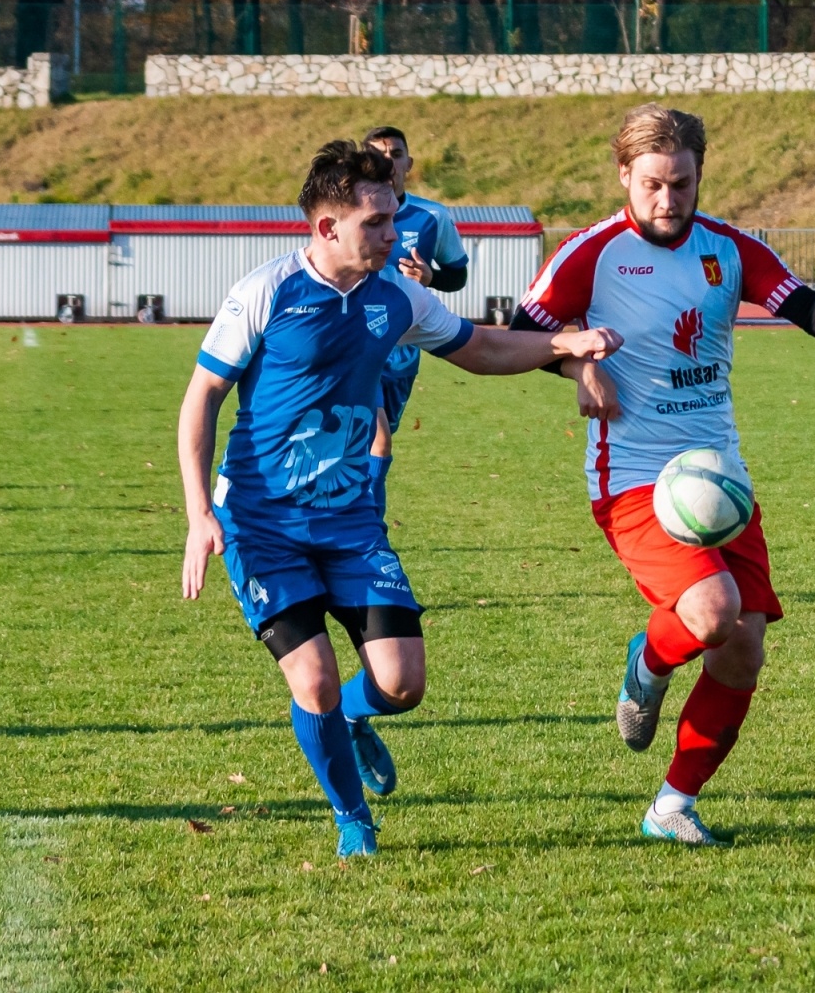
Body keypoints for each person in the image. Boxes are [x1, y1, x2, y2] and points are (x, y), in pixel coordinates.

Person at [177, 140, 621, 857]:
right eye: (376, 222)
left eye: (393, 218)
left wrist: (566, 346)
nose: (393, 234)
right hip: (262, 523)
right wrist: (200, 513)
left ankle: (353, 722)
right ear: (327, 228)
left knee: (402, 682)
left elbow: (479, 347)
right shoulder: (266, 292)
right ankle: (352, 817)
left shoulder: (398, 294)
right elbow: (202, 399)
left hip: (352, 521)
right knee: (315, 678)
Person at [510, 104, 815, 847]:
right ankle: (647, 664)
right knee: (710, 611)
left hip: (717, 476)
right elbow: (519, 336)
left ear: (700, 174)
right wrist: (578, 362)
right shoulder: (592, 254)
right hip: (633, 476)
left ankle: (672, 805)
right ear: (624, 176)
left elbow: (792, 296)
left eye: (681, 183)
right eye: (652, 185)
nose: (668, 200)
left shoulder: (727, 249)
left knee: (742, 649)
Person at [363, 125, 470, 520]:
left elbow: (457, 275)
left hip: (404, 350)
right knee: (376, 440)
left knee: (373, 442)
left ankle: (355, 521)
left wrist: (430, 279)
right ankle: (368, 530)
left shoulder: (431, 217)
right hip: (358, 343)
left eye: (395, 153)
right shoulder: (351, 213)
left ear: (409, 162)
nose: (387, 161)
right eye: (378, 153)